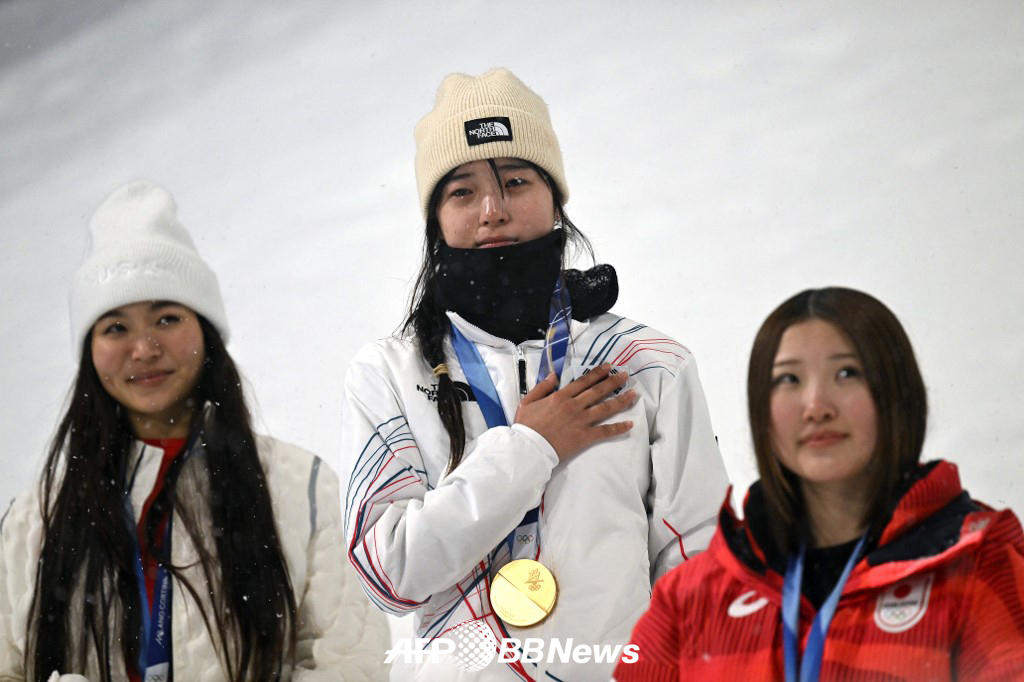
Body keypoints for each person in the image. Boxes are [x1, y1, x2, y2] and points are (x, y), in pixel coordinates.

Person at [342, 68, 729, 680]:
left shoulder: (648, 362)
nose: (492, 211)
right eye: (462, 192)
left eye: (515, 181)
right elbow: (388, 574)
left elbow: (697, 560)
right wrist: (531, 448)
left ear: (556, 199)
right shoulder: (391, 371)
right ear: (435, 219)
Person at [0, 181, 390, 682]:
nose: (143, 349)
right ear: (89, 350)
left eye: (166, 318)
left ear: (205, 332)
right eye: (115, 327)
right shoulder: (36, 520)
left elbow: (351, 664)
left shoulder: (302, 489)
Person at [615, 287, 1024, 681]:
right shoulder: (692, 598)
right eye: (788, 379)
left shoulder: (978, 567)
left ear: (897, 394)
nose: (816, 406)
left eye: (847, 373)